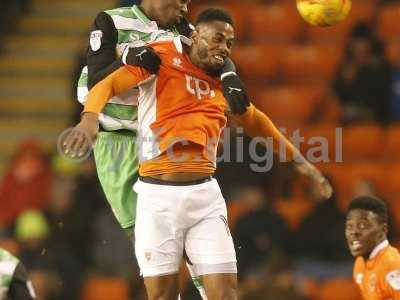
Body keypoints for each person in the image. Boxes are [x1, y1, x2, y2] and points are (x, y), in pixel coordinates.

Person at [65, 8, 332, 299]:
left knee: (225, 294)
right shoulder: (159, 56)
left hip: (205, 196)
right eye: (217, 39)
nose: (224, 49)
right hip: (156, 196)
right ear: (193, 37)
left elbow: (256, 121)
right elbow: (105, 83)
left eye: (229, 44)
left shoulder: (223, 80)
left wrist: (302, 163)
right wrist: (89, 120)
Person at [345, 196, 400, 300]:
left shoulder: (393, 266)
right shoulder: (359, 264)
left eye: (362, 226)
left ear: (382, 230)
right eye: (350, 226)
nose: (353, 232)